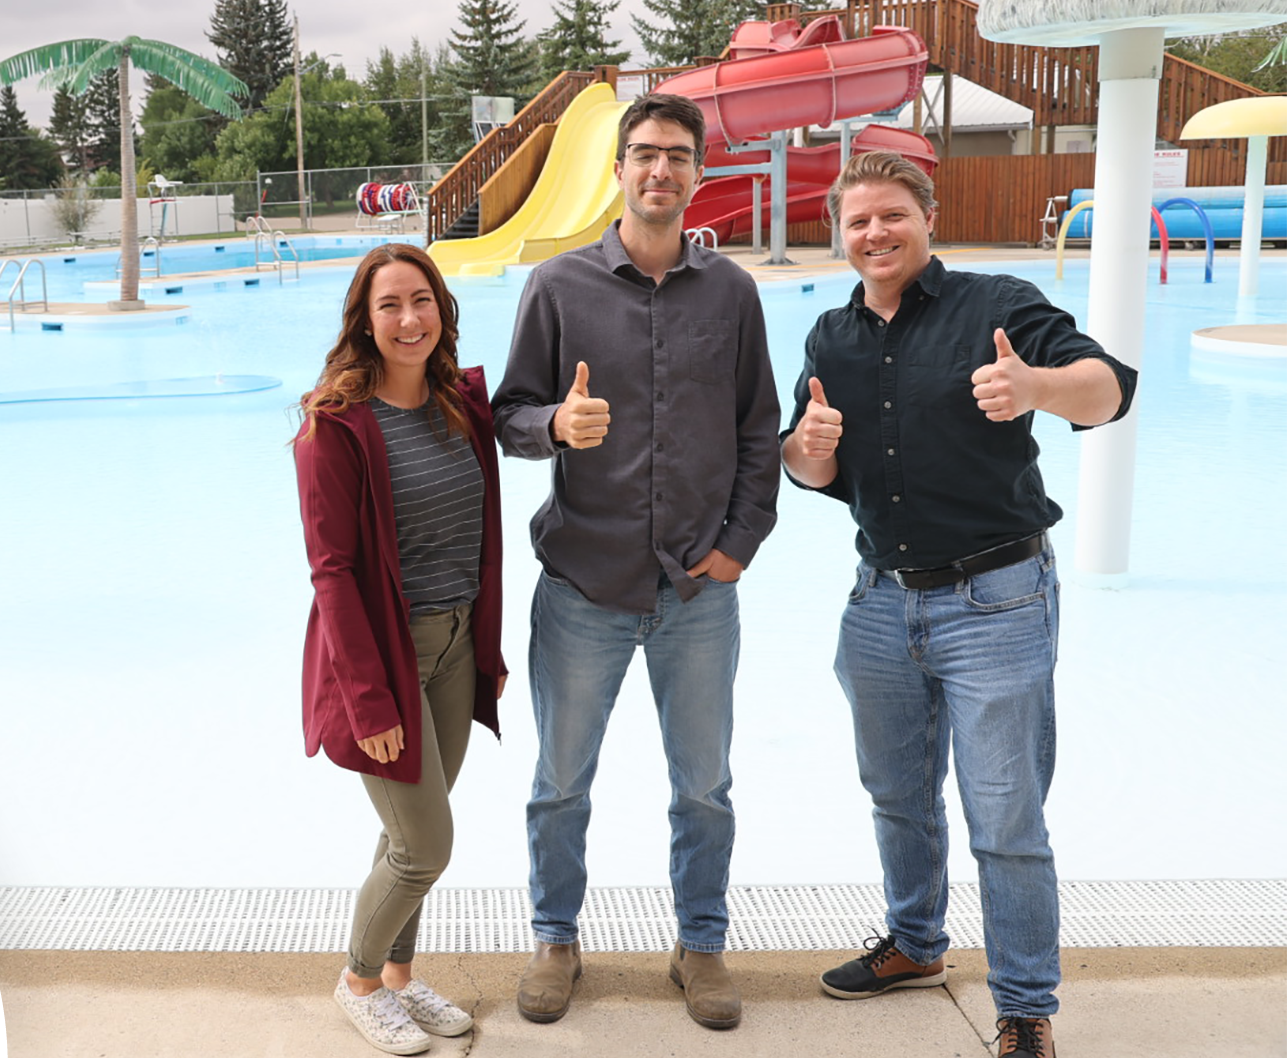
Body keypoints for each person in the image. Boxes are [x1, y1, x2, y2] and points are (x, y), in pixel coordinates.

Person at [781, 151, 1136, 1058]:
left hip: (998, 599)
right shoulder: (830, 337)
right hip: (878, 603)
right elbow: (814, 470)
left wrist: (1038, 390)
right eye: (858, 221)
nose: (876, 234)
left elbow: (1110, 388)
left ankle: (1023, 1007)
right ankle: (916, 943)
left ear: (926, 217)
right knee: (898, 794)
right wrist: (806, 446)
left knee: (1005, 815)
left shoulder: (998, 305)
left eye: (892, 215)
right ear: (840, 233)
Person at [492, 91, 781, 1030]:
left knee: (704, 788)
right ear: (618, 169)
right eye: (645, 153)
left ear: (698, 173)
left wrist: (739, 547)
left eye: (678, 156)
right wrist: (553, 425)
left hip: (700, 588)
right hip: (585, 584)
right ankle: (554, 937)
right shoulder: (557, 287)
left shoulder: (733, 294)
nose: (661, 170)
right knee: (561, 783)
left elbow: (756, 432)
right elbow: (507, 415)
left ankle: (701, 946)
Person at [294, 243, 509, 1056]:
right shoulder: (336, 425)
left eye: (421, 300)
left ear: (442, 309)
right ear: (366, 319)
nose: (409, 318)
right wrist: (370, 700)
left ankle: (397, 976)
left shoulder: (461, 406)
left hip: (456, 643)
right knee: (425, 845)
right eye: (390, 305)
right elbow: (333, 572)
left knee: (413, 835)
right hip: (387, 658)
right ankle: (357, 980)